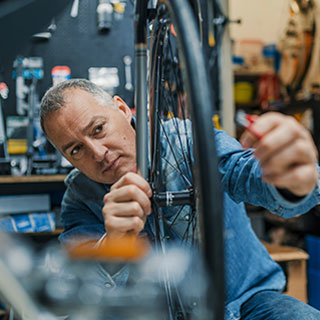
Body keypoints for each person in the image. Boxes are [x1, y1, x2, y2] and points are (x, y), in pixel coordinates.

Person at [40, 79, 320, 320]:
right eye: (76, 150)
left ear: (123, 109)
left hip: (245, 304)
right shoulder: (80, 199)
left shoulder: (189, 142)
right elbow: (76, 292)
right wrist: (114, 244)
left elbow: (246, 174)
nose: (98, 153)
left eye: (98, 129)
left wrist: (293, 179)